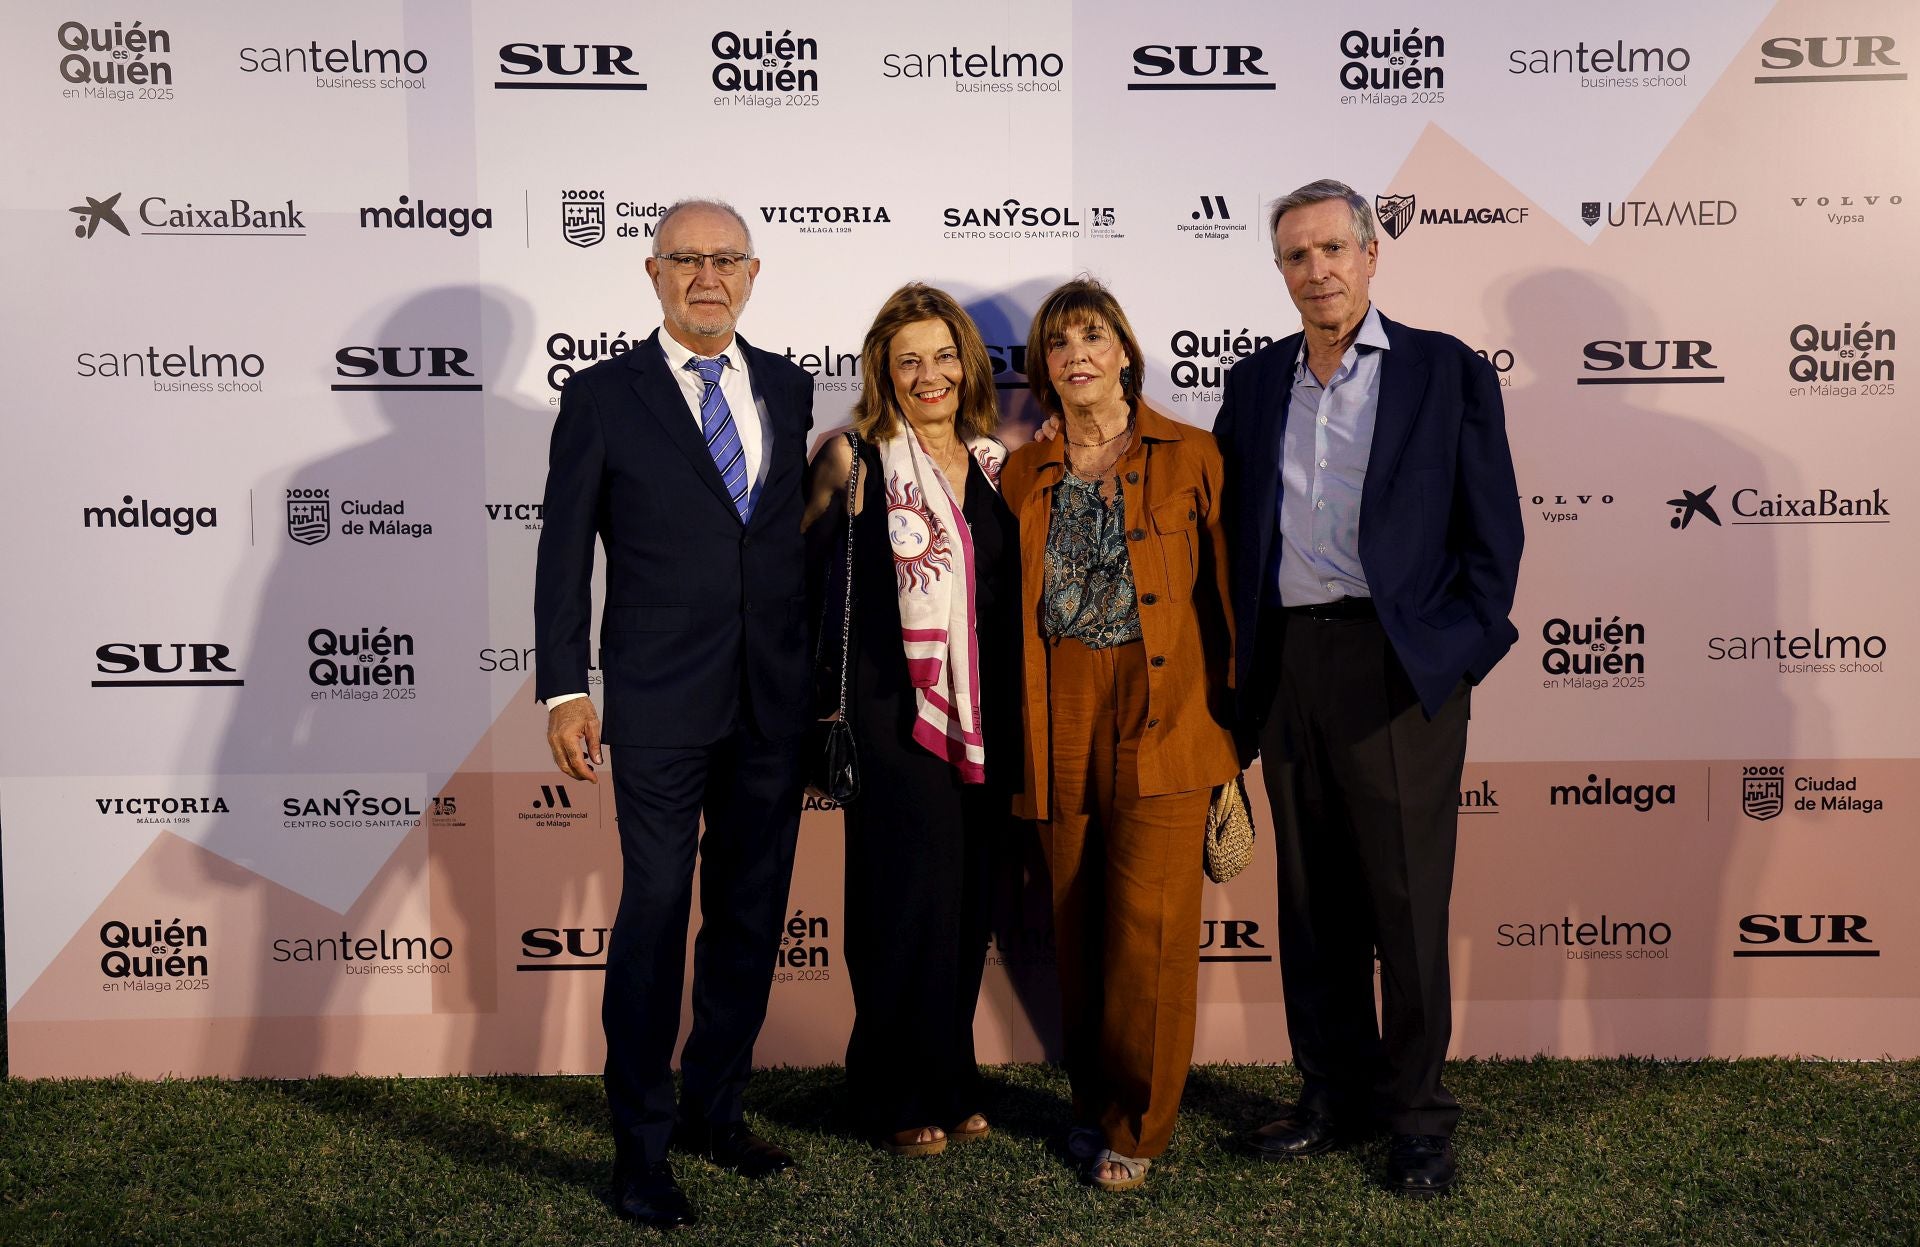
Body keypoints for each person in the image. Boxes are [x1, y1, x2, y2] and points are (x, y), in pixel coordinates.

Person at [1214, 179, 1523, 1196]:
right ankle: (1332, 1091)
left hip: (1398, 664)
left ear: (1372, 252)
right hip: (1289, 662)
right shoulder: (1256, 384)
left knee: (1404, 899)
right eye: (1297, 256)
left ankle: (1421, 1114)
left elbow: (1494, 533)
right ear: (1280, 271)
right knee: (1311, 902)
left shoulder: (1446, 370)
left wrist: (1455, 649)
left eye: (1334, 249)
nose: (1318, 271)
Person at [535, 199, 815, 1228]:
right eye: (687, 259)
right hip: (653, 703)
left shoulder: (787, 384)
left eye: (726, 259)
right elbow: (563, 548)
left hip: (771, 703)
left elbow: (788, 539)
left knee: (749, 916)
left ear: (753, 272)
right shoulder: (602, 396)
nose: (709, 276)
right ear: (651, 272)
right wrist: (566, 686)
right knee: (656, 912)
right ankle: (641, 1146)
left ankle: (717, 1107)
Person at [999, 277, 1239, 1192]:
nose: (1076, 357)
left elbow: (1228, 600)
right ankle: (1090, 1103)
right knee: (1075, 919)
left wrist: (1230, 734)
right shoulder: (1028, 469)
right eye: (1058, 345)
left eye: (1092, 336)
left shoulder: (1193, 455)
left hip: (1165, 707)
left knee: (1154, 925)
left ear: (1127, 351)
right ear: (1043, 369)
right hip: (1057, 703)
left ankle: (1138, 1126)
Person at [801, 283, 1018, 1158]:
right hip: (895, 716)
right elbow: (804, 586)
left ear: (966, 363)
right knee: (901, 906)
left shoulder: (998, 463)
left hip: (987, 716)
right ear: (883, 374)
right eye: (908, 361)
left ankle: (953, 1075)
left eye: (942, 355)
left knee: (967, 906)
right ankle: (889, 1087)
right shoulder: (852, 457)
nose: (929, 375)